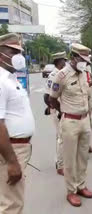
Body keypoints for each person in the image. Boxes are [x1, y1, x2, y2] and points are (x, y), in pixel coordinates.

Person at [50, 43, 92, 207]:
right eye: (82, 59)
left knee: (83, 157)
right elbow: (52, 98)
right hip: (70, 122)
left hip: (84, 121)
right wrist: (64, 113)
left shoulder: (83, 73)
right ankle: (71, 191)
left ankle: (81, 186)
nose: (85, 63)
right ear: (73, 57)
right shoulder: (61, 76)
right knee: (69, 160)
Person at [0, 33, 35, 214]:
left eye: (20, 51)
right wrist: (12, 162)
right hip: (10, 150)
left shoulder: (10, 78)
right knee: (11, 205)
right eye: (13, 51)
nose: (19, 56)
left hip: (18, 148)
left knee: (13, 199)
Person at [44, 51, 67, 176]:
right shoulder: (54, 75)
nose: (66, 62)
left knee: (60, 137)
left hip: (59, 109)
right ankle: (60, 165)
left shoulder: (58, 73)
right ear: (60, 61)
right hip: (58, 110)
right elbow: (47, 96)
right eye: (64, 60)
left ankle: (61, 160)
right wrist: (58, 110)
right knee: (61, 138)